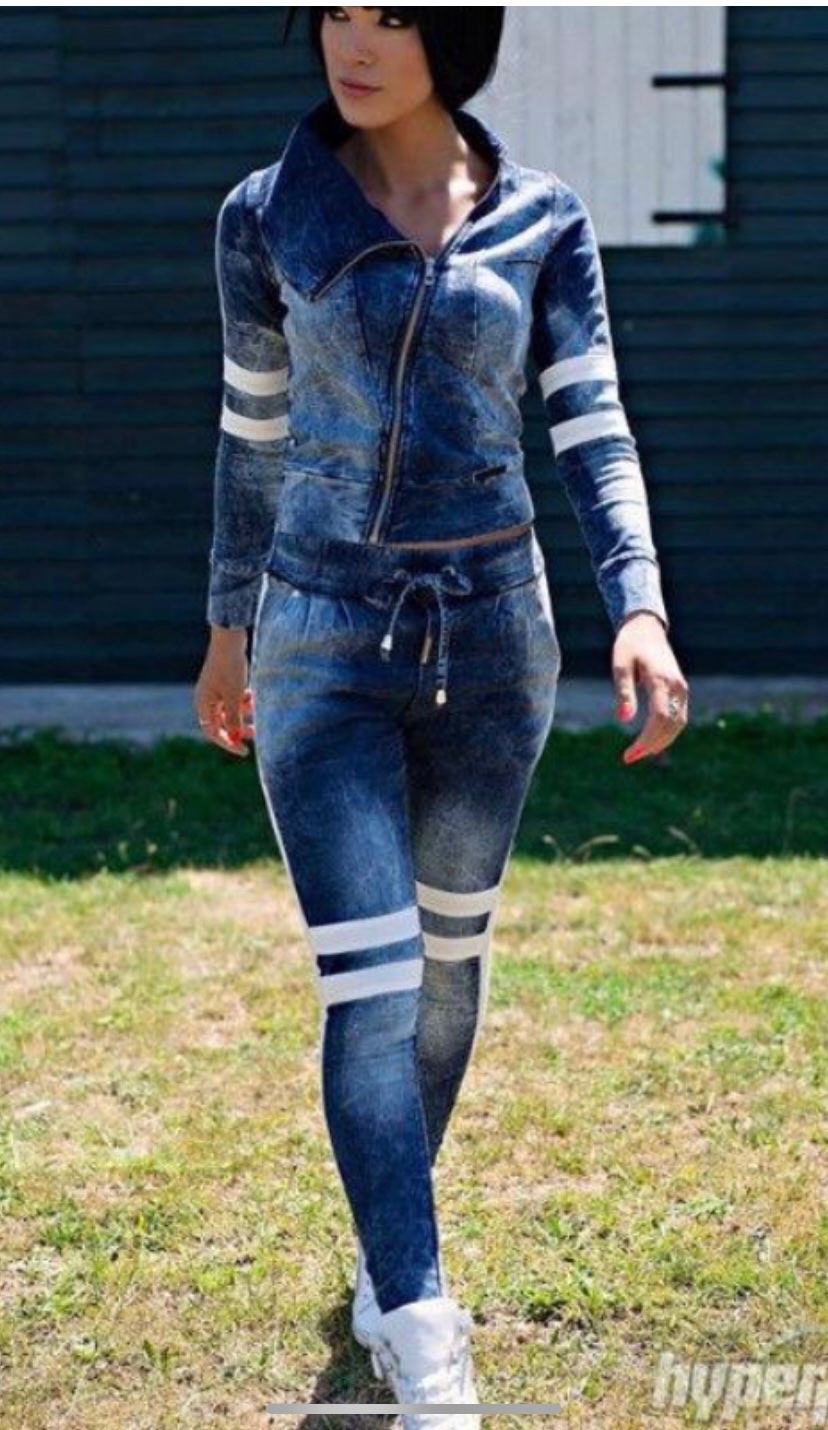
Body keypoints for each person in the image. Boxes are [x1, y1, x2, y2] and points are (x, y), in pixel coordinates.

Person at [194, 7, 689, 1424]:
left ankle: (383, 1248)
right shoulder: (268, 214)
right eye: (338, 11)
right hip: (320, 640)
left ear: (454, 33)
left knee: (448, 967)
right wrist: (228, 624)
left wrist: (639, 604)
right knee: (373, 979)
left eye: (395, 16)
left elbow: (592, 422)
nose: (355, 43)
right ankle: (422, 1331)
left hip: (494, 642)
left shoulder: (544, 219)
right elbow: (253, 429)